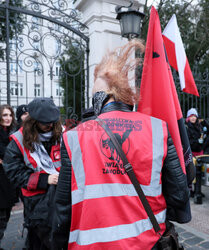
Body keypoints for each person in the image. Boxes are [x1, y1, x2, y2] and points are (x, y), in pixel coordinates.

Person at [51, 40, 190, 250]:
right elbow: (179, 195)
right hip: (148, 243)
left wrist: (58, 243)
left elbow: (63, 208)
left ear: (100, 98)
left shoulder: (74, 137)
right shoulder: (157, 129)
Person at [3, 98, 62, 250]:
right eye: (44, 122)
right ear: (33, 121)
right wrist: (44, 179)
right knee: (38, 239)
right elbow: (14, 172)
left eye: (52, 122)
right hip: (36, 201)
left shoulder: (63, 135)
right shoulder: (18, 140)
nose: (49, 125)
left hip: (61, 196)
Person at [0, 104, 17, 250]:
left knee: (6, 216)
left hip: (8, 181)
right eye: (5, 115)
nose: (8, 118)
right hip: (1, 182)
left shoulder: (12, 133)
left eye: (10, 115)